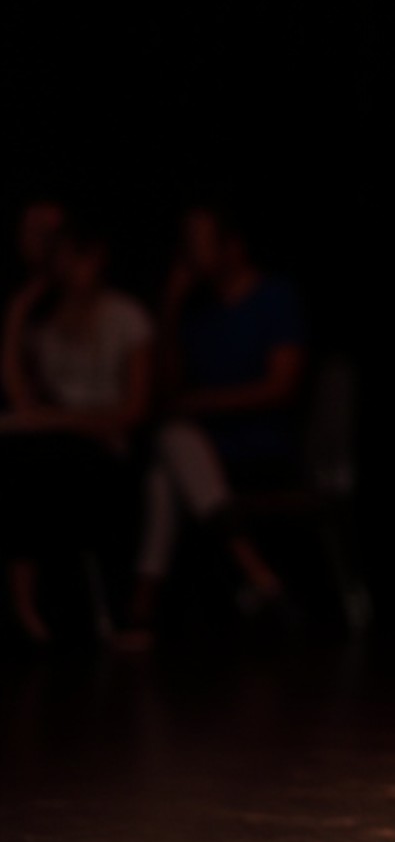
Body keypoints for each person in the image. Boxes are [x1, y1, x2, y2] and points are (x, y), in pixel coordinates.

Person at [123, 202, 305, 637]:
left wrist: (200, 405)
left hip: (259, 445)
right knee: (170, 453)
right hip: (203, 450)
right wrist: (170, 306)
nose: (190, 254)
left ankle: (144, 603)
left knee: (171, 450)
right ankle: (259, 577)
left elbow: (282, 387)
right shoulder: (197, 314)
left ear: (232, 246)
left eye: (200, 243)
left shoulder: (274, 297)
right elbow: (167, 389)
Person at [0, 213, 152, 643]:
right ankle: (25, 610)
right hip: (54, 445)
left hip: (106, 448)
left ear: (96, 257)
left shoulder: (125, 316)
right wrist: (16, 315)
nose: (66, 270)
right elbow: (22, 401)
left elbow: (135, 409)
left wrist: (60, 419)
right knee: (24, 461)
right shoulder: (48, 326)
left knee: (39, 466)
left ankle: (37, 611)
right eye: (59, 261)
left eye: (73, 258)